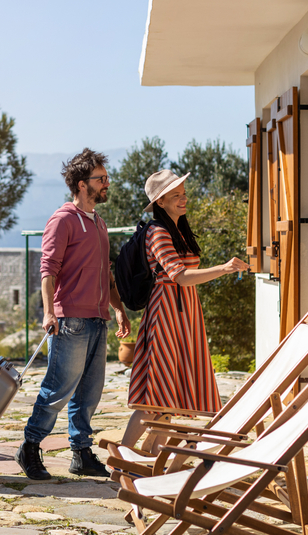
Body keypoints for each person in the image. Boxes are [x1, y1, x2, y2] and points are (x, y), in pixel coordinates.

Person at [17, 148, 131, 481]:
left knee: (89, 391)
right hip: (69, 321)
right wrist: (49, 313)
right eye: (101, 179)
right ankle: (29, 446)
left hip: (97, 320)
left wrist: (118, 310)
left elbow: (105, 274)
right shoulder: (63, 219)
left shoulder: (99, 223)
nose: (106, 183)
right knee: (58, 387)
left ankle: (80, 453)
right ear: (83, 185)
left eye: (106, 178)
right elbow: (47, 269)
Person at [122, 169, 249, 447]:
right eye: (175, 195)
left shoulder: (178, 230)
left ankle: (151, 457)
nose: (183, 199)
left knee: (170, 393)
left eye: (183, 193)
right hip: (166, 313)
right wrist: (225, 268)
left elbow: (185, 276)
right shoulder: (157, 232)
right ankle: (122, 456)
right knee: (156, 393)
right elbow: (178, 276)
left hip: (184, 312)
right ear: (160, 202)